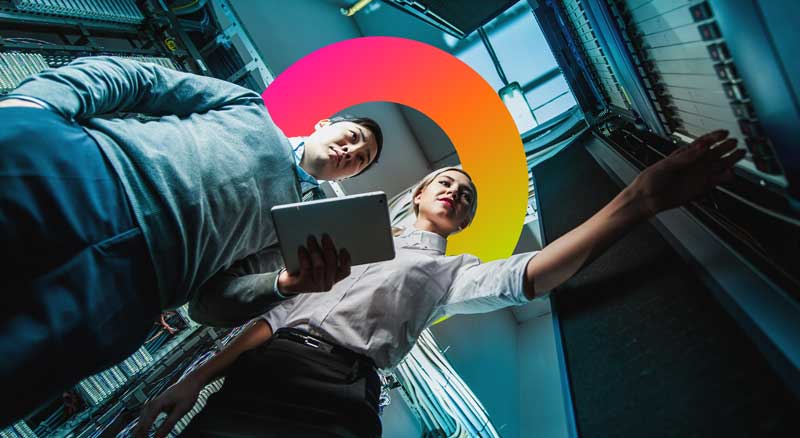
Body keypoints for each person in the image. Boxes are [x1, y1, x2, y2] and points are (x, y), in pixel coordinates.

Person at [135, 130, 744, 437]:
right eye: (447, 181)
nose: (457, 190)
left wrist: (639, 201)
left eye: (468, 195)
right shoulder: (341, 230)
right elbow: (270, 322)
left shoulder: (455, 273)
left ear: (467, 219)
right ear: (421, 192)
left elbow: (532, 275)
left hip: (343, 398)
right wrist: (193, 381)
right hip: (269, 371)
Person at [0, 56, 383, 426]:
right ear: (324, 123)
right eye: (353, 137)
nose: (350, 151)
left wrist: (282, 285)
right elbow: (143, 81)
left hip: (127, 290)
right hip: (86, 173)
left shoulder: (297, 231)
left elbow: (209, 305)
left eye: (360, 160)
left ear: (348, 178)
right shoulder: (250, 109)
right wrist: (36, 103)